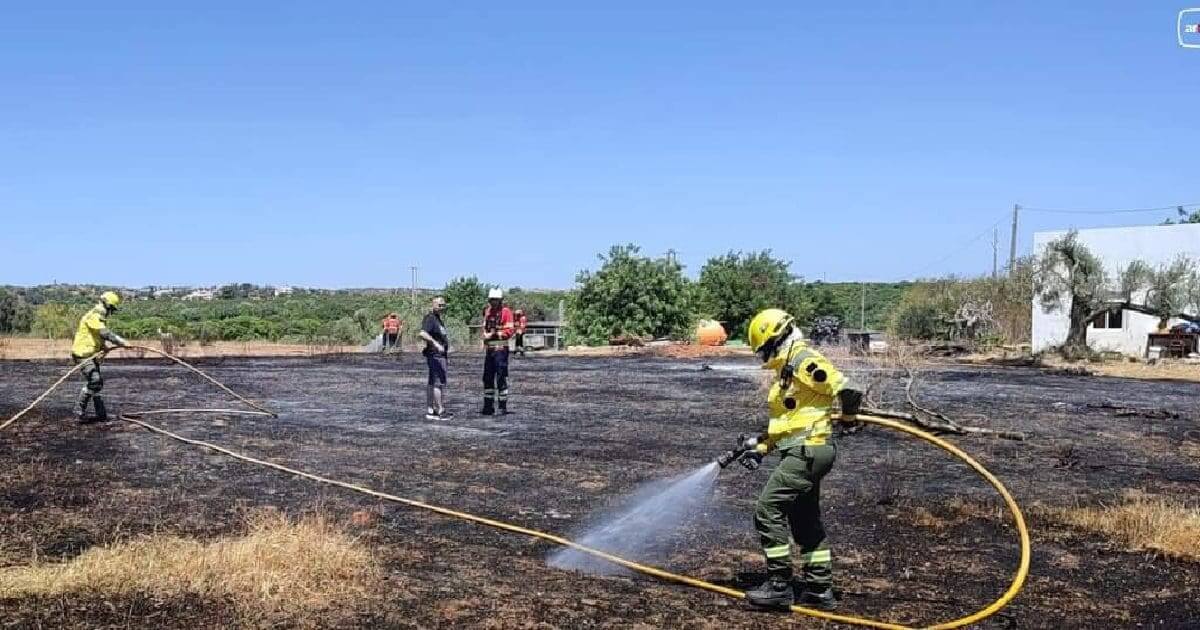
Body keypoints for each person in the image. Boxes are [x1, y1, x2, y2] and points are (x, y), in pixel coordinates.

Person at [736, 307, 862, 610]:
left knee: (767, 510)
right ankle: (820, 590)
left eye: (765, 349)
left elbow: (850, 389)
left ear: (777, 339)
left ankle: (779, 585)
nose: (764, 357)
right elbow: (789, 424)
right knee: (804, 519)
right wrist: (761, 449)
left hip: (810, 450)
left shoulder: (804, 361)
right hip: (801, 450)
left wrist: (848, 418)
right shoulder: (788, 371)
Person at [70, 291, 129, 423]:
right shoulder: (93, 316)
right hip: (82, 354)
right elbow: (104, 332)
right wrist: (122, 342)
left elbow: (97, 335)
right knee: (95, 380)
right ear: (106, 305)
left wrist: (103, 346)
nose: (111, 312)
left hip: (91, 354)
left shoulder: (99, 318)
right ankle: (78, 411)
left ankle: (101, 414)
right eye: (111, 309)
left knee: (97, 383)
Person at [480, 288, 514, 415]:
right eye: (491, 300)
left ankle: (502, 406)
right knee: (487, 377)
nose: (493, 302)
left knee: (501, 376)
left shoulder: (506, 312)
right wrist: (485, 335)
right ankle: (488, 406)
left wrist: (494, 334)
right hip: (490, 350)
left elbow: (509, 331)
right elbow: (485, 327)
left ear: (500, 300)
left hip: (500, 349)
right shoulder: (488, 312)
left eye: (495, 300)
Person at [418, 297, 453, 420]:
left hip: (439, 355)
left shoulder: (438, 319)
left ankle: (430, 410)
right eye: (439, 305)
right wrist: (436, 344)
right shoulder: (430, 318)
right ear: (433, 305)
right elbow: (422, 333)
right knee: (438, 382)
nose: (442, 307)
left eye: (443, 305)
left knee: (432, 381)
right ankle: (440, 411)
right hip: (435, 355)